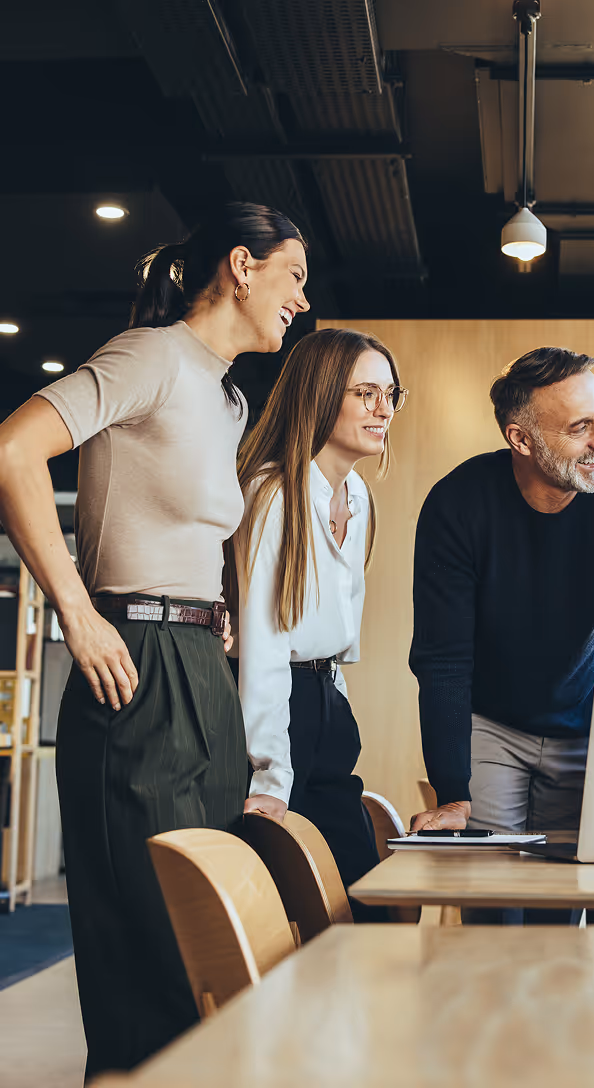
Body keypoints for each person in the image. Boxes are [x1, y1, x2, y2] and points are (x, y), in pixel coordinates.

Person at [0, 202, 309, 1076]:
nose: (300, 298)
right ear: (242, 267)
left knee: (209, 959)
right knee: (151, 969)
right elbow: (14, 451)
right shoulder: (152, 356)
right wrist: (77, 612)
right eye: (293, 274)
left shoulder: (227, 395)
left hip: (200, 672)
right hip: (134, 660)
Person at [407, 346, 594, 836]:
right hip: (490, 724)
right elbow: (443, 657)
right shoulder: (456, 504)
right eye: (580, 427)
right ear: (520, 439)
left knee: (564, 892)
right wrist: (452, 793)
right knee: (492, 896)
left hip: (589, 723)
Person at [230, 328, 406, 912]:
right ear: (321, 394)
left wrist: (339, 705)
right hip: (278, 710)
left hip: (326, 701)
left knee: (356, 894)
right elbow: (263, 644)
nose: (383, 409)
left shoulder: (356, 494)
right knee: (291, 905)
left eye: (390, 393)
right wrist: (271, 778)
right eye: (365, 393)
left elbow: (339, 634)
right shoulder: (273, 492)